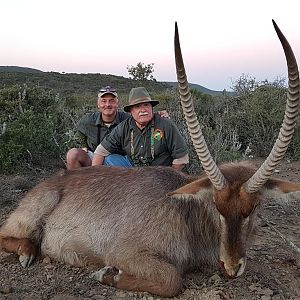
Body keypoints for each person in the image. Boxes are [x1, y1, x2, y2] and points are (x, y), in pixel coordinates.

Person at [66, 86, 170, 170]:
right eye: (103, 101)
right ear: (98, 104)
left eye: (112, 101)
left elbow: (142, 118)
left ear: (117, 103)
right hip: (95, 159)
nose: (108, 104)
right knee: (72, 154)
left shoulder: (127, 119)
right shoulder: (88, 120)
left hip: (119, 162)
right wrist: (84, 145)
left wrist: (157, 115)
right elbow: (80, 130)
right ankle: (79, 187)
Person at [92, 87, 189, 170]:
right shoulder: (124, 127)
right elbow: (100, 151)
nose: (143, 110)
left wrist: (168, 178)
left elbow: (181, 158)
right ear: (131, 111)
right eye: (137, 106)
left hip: (159, 175)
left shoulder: (166, 125)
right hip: (133, 174)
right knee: (110, 159)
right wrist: (95, 176)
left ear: (152, 107)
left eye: (146, 105)